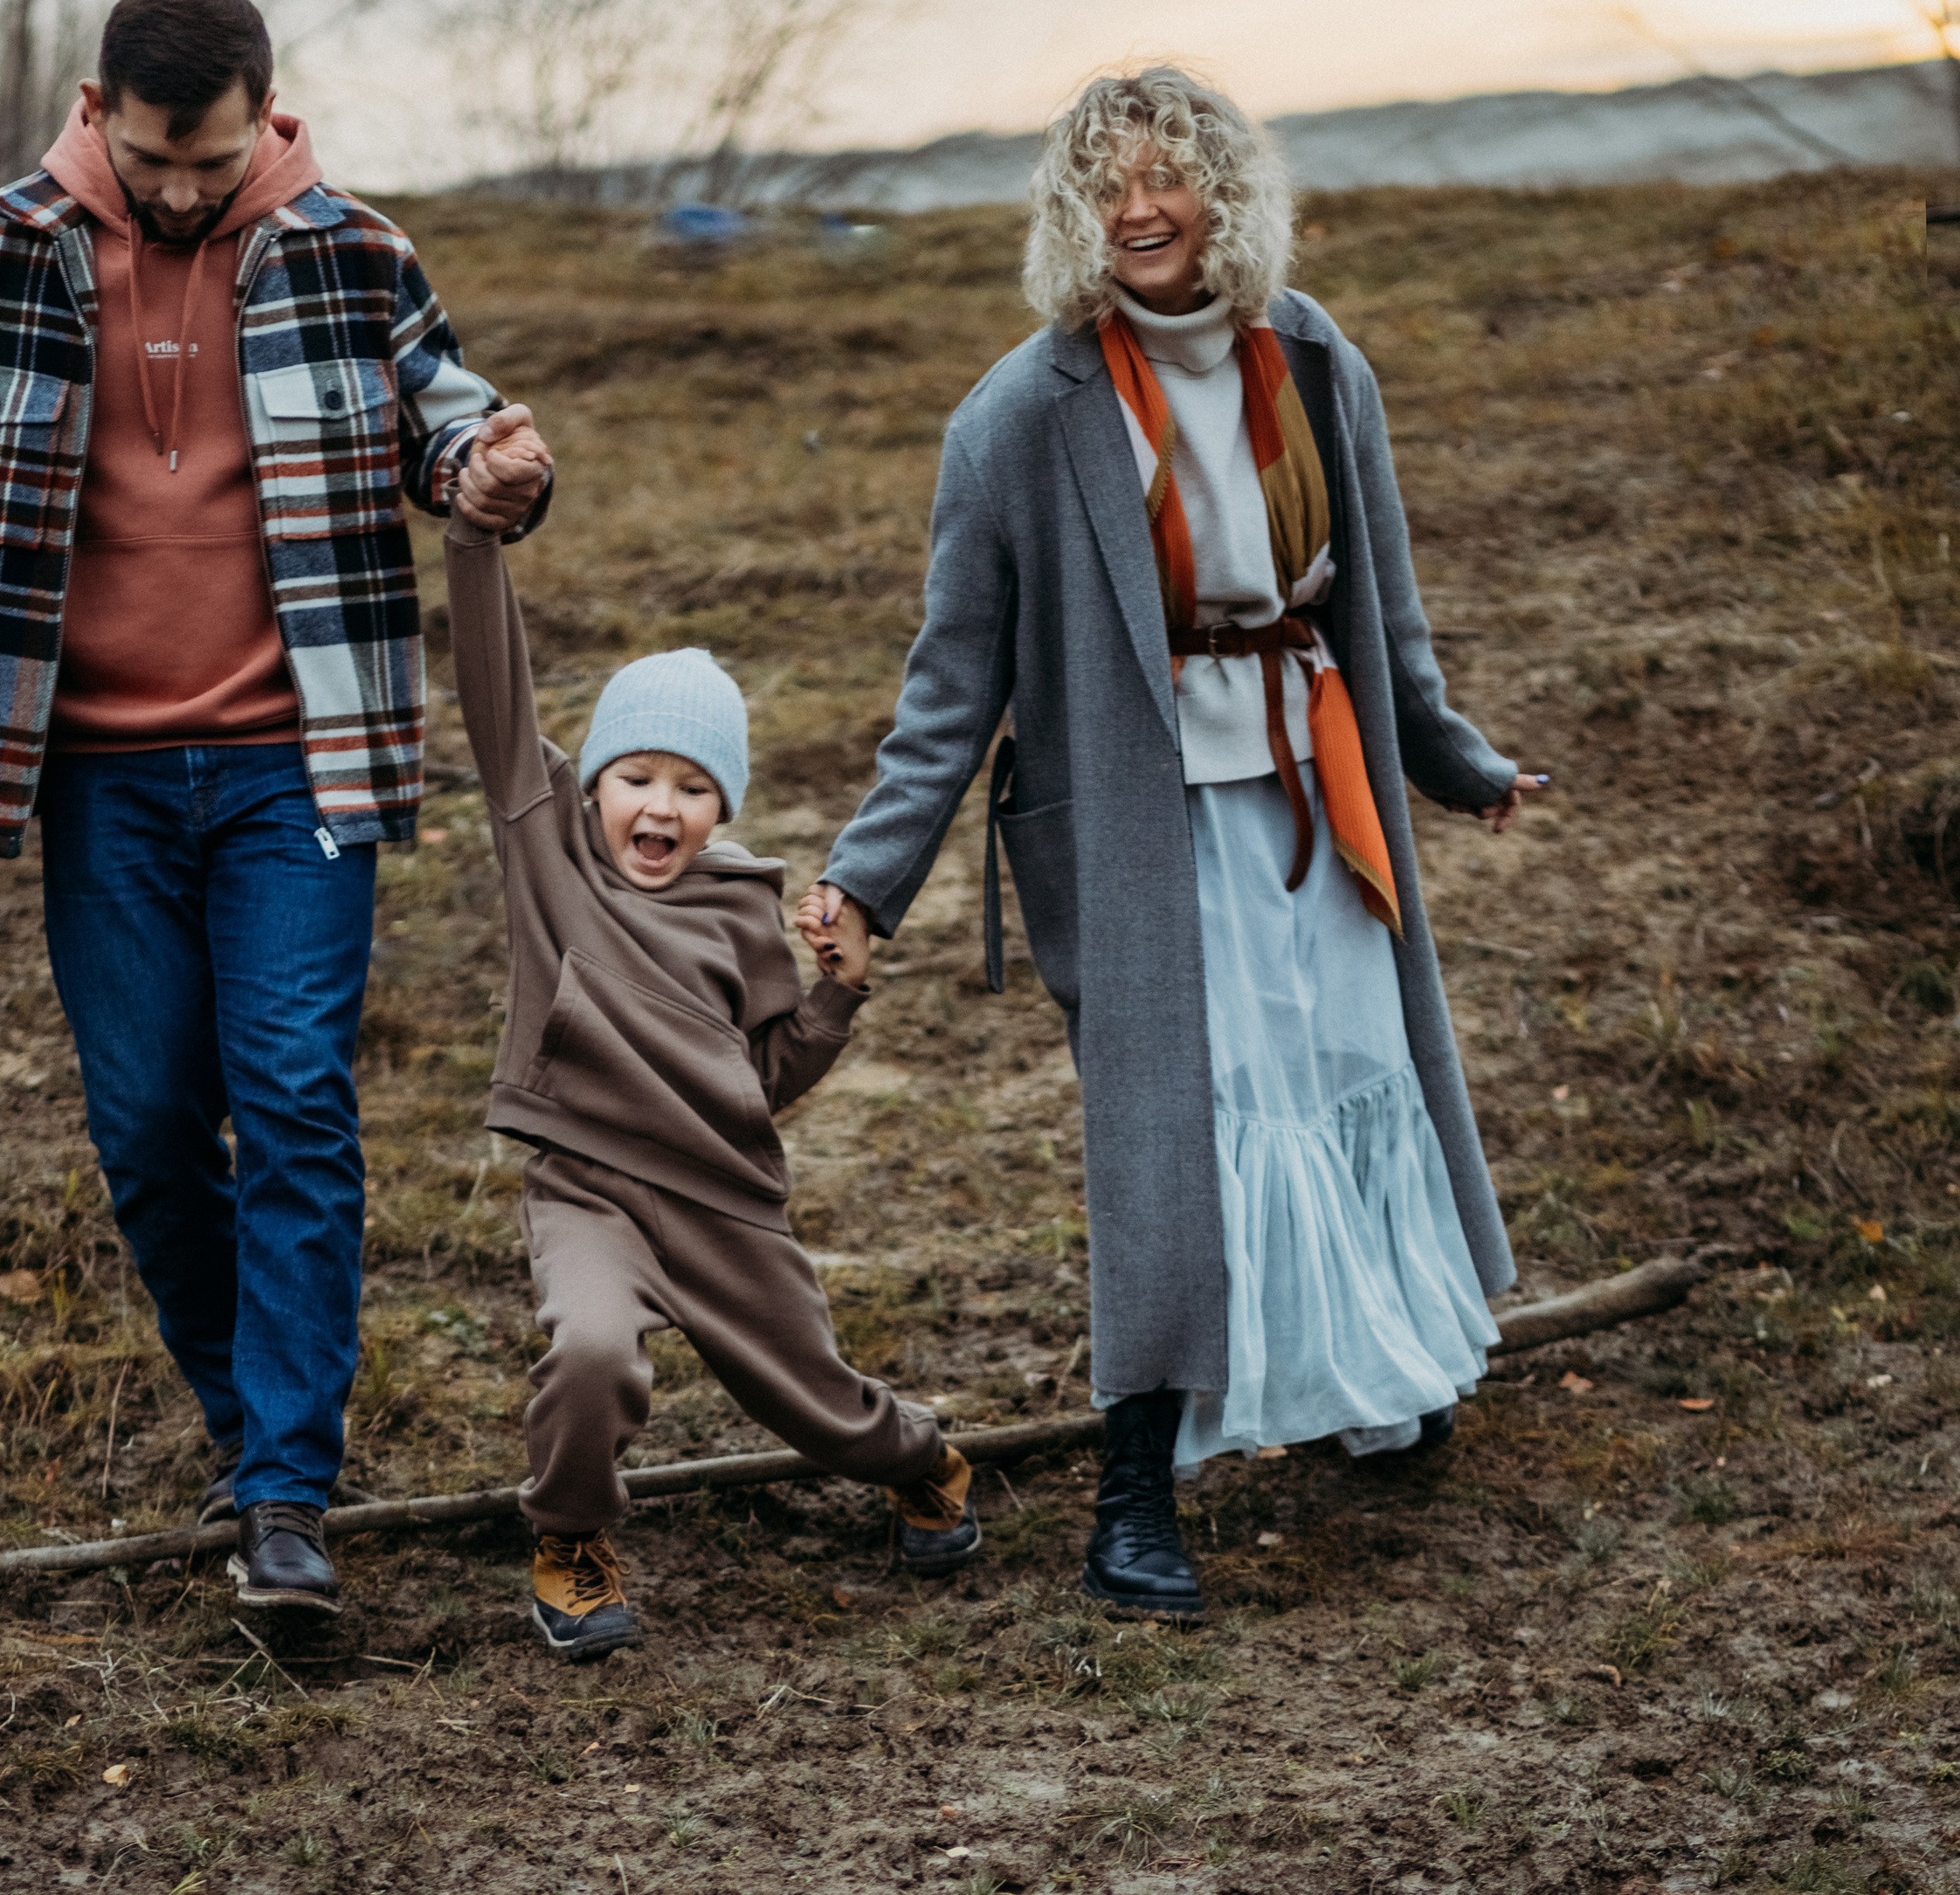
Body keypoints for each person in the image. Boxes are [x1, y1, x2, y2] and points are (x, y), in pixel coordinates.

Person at [0, 0, 549, 1617]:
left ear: (267, 117)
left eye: (217, 159)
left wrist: (491, 472)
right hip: (95, 778)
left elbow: (454, 421)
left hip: (292, 767)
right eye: (159, 161)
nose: (185, 193)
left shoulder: (354, 257)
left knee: (298, 1098)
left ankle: (288, 1499)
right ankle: (263, 1433)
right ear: (99, 108)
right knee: (153, 1132)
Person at [810, 66, 1529, 1623]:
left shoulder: (1316, 357)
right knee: (1180, 1136)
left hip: (1310, 792)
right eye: (1106, 184)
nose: (1140, 208)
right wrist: (868, 878)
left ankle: (1375, 1378)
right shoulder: (1019, 417)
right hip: (1139, 825)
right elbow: (950, 688)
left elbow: (1379, 605)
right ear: (1073, 215)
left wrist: (1450, 757)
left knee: (1347, 1076)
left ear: (1225, 193)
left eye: (1169, 175)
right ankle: (1137, 1492)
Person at [444, 490, 979, 1659]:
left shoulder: (742, 915)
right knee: (590, 1351)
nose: (661, 807)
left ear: (720, 808)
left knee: (821, 1409)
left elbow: (763, 1080)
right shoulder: (546, 847)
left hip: (722, 1196)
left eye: (694, 789)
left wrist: (839, 989)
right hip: (586, 1184)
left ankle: (924, 1458)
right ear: (591, 786)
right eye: (637, 776)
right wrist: (473, 537)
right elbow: (496, 688)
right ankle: (571, 1544)